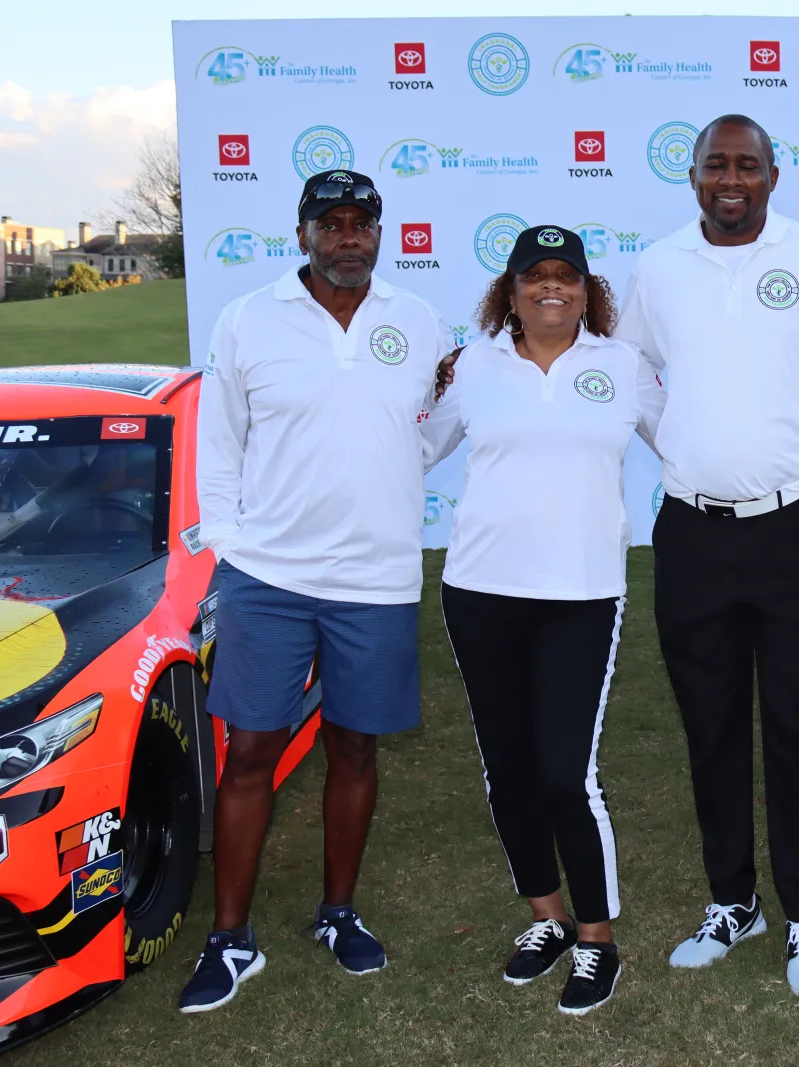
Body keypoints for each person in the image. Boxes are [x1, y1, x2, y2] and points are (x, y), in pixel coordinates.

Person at [613, 113, 799, 996]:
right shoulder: (661, 265)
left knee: (794, 722)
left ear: (774, 177)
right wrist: (674, 441)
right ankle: (732, 901)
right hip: (693, 532)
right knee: (708, 725)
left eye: (748, 165)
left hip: (796, 531)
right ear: (694, 176)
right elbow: (628, 369)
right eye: (716, 166)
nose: (731, 179)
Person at [182, 170, 451, 1012]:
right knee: (251, 752)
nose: (347, 236)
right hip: (269, 576)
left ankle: (338, 911)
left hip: (375, 579)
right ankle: (230, 937)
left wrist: (391, 472)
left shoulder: (416, 320)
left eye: (360, 223)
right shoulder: (249, 319)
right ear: (302, 233)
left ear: (380, 232)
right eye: (330, 223)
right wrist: (229, 541)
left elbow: (433, 428)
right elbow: (218, 442)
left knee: (357, 749)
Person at [423, 226, 662, 1016]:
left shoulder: (623, 368)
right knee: (507, 771)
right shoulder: (475, 365)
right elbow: (418, 445)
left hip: (582, 596)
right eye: (536, 275)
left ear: (588, 290)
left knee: (567, 773)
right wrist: (426, 384)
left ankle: (597, 940)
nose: (550, 287)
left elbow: (689, 446)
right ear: (512, 288)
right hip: (480, 590)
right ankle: (546, 918)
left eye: (567, 275)